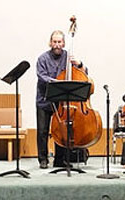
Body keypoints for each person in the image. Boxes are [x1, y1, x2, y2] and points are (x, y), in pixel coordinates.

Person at [36, 30, 87, 169]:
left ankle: (60, 159)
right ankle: (43, 159)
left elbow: (84, 74)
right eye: (55, 42)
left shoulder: (68, 57)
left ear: (63, 43)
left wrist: (80, 63)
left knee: (62, 129)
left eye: (59, 42)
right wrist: (58, 83)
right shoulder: (42, 59)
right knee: (42, 131)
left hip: (62, 101)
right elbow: (42, 76)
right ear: (50, 43)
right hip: (45, 99)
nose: (57, 45)